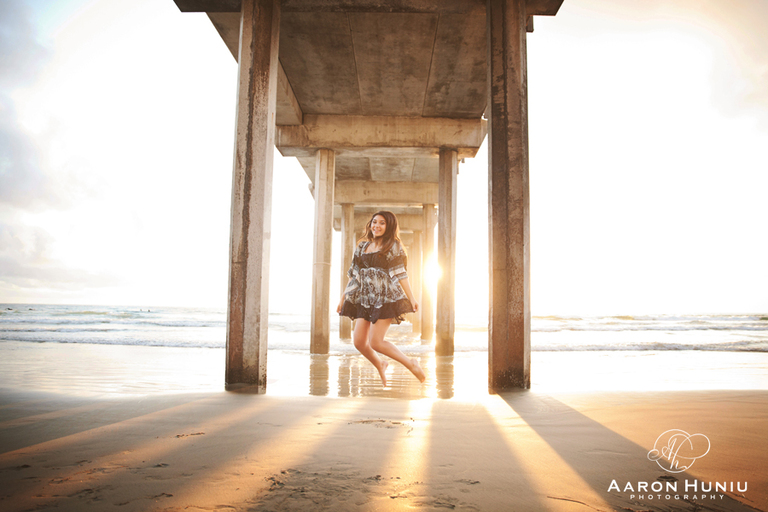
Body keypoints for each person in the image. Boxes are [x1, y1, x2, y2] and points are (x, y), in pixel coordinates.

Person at [337, 210, 426, 386]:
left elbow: (401, 273)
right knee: (359, 342)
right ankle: (381, 364)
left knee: (376, 342)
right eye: (374, 222)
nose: (376, 226)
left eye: (382, 223)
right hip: (364, 297)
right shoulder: (362, 247)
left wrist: (412, 298)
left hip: (385, 297)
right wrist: (343, 298)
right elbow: (354, 275)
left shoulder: (393, 246)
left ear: (389, 226)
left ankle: (411, 364)